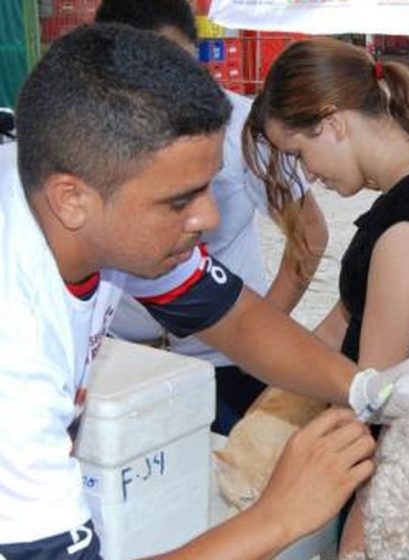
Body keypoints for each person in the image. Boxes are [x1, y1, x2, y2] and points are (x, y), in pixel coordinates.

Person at [0, 23, 409, 557]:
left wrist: (364, 390)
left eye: (210, 187)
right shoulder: (17, 353)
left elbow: (233, 315)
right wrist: (277, 517)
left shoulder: (82, 208)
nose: (209, 217)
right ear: (71, 199)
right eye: (181, 200)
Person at [94, 0, 329, 435]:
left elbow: (309, 237)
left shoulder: (243, 127)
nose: (204, 216)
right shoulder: (89, 140)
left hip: (224, 360)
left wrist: (261, 331)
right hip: (122, 359)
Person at [243, 37, 409, 370]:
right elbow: (339, 326)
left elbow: (374, 390)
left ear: (332, 124)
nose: (308, 174)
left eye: (300, 154)